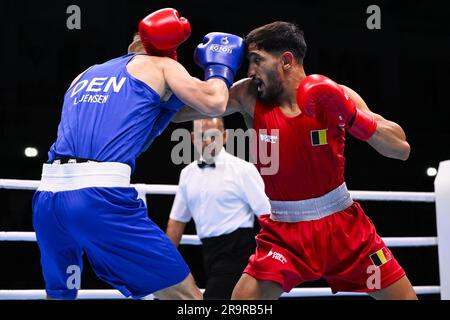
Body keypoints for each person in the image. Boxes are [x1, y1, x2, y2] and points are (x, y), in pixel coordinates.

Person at [172, 21, 417, 300]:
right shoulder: (249, 95)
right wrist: (217, 75)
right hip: (284, 237)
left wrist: (351, 116)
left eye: (256, 61)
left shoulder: (337, 95)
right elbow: (179, 113)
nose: (250, 71)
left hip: (346, 233)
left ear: (286, 60)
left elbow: (401, 149)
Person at [31, 8, 245, 300]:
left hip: (47, 200)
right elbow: (215, 102)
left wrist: (162, 116)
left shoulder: (85, 74)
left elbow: (124, 131)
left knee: (60, 295)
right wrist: (220, 68)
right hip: (98, 198)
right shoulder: (161, 66)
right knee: (187, 297)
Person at [166, 117, 271, 299]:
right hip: (209, 252)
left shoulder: (243, 170)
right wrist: (163, 260)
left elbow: (267, 214)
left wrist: (270, 258)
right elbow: (177, 222)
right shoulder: (187, 174)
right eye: (202, 135)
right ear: (192, 138)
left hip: (238, 250)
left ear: (224, 137)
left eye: (213, 135)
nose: (207, 140)